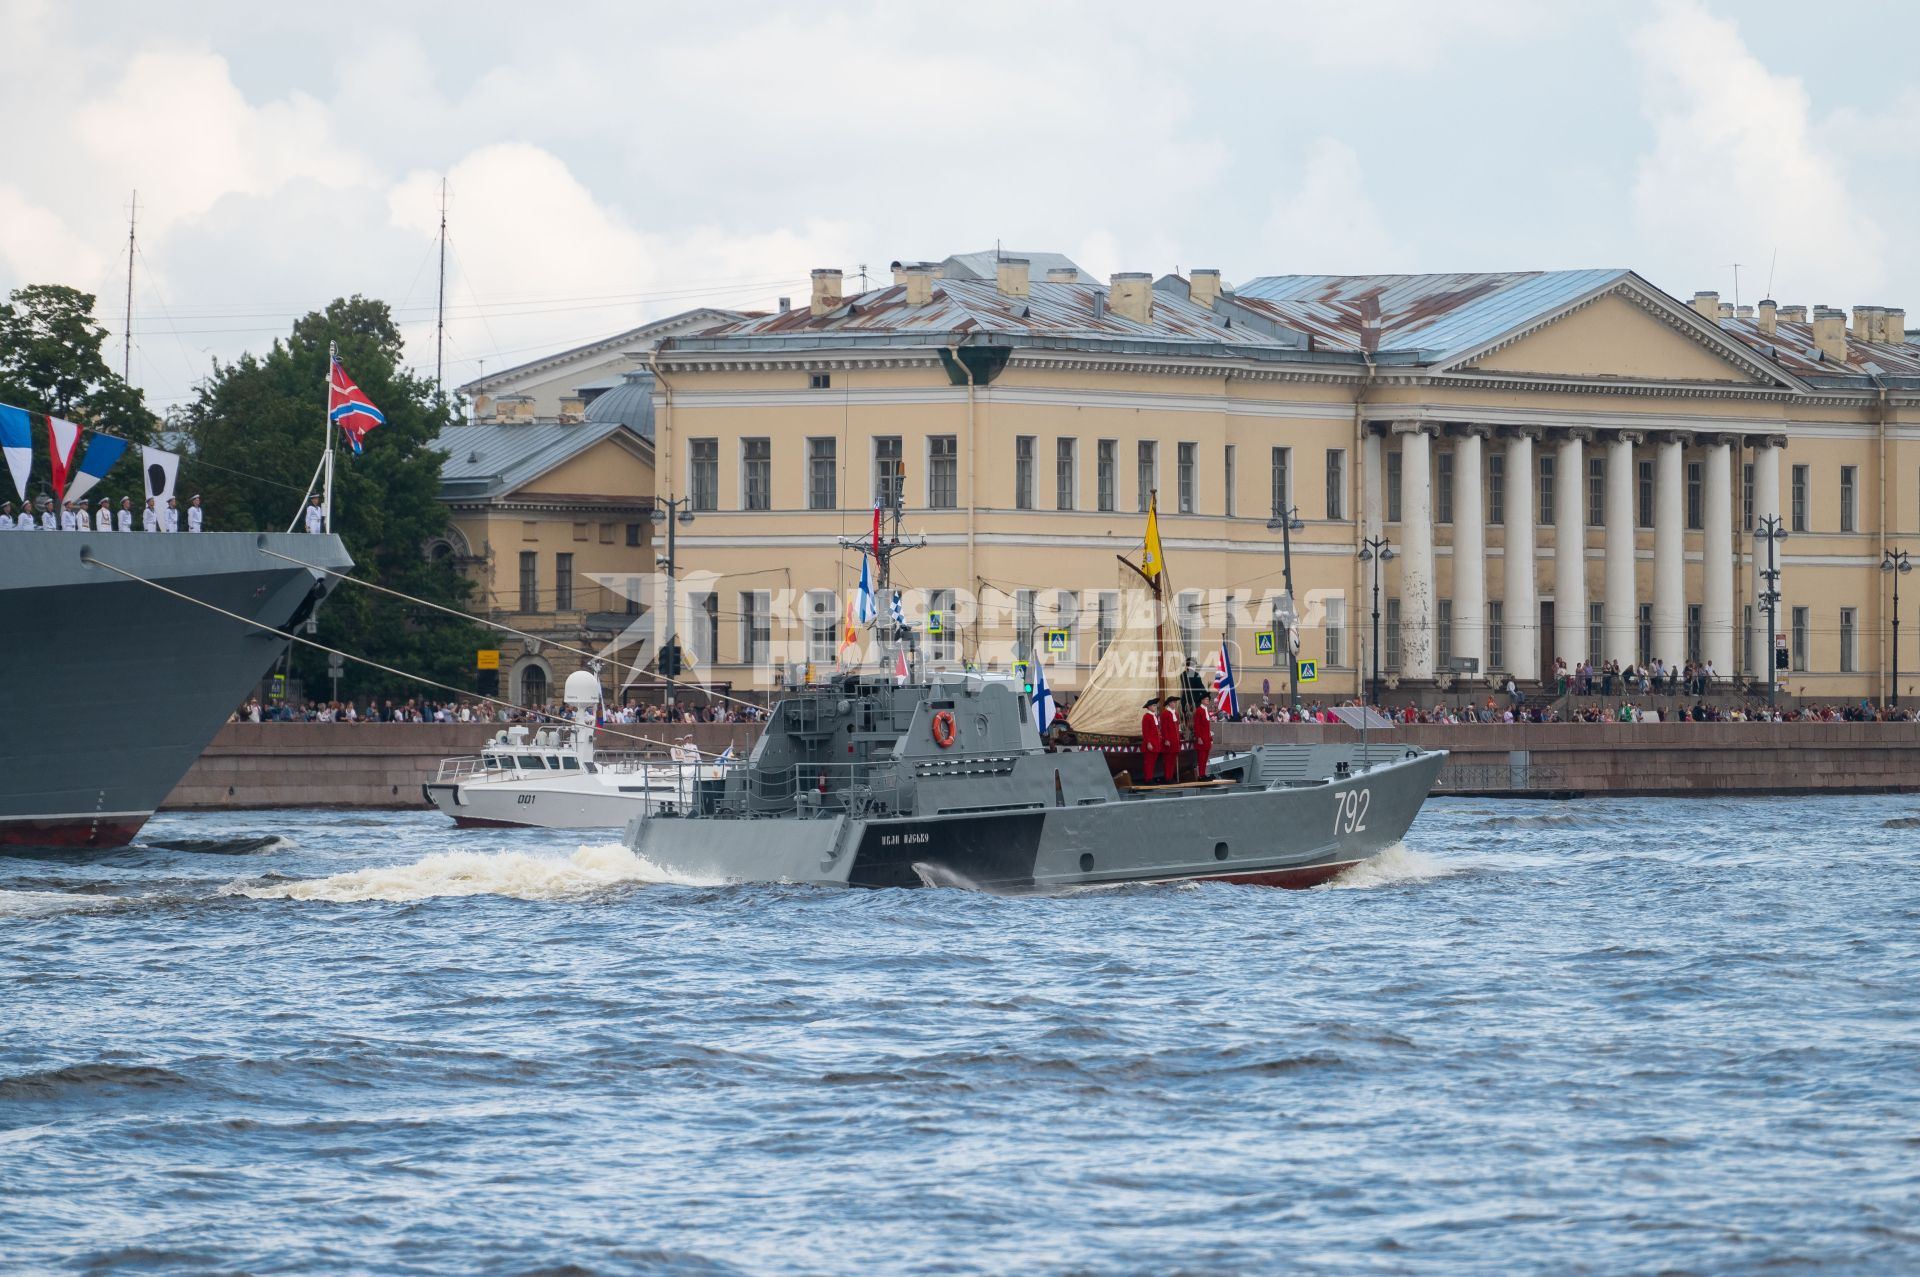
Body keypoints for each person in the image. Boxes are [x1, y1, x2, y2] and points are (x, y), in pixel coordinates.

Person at [1157, 696, 1182, 784]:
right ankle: (1167, 777)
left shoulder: (1176, 714)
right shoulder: (1165, 714)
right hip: (1169, 741)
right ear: (1169, 703)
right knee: (1168, 760)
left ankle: (1171, 776)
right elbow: (1164, 728)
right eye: (1173, 702)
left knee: (1173, 761)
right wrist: (1166, 739)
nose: (1175, 704)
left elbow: (1177, 727)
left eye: (1175, 702)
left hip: (1175, 741)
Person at [1140, 697, 1162, 783]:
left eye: (1155, 705)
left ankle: (1150, 778)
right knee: (1148, 763)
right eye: (1153, 705)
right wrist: (1148, 743)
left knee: (1152, 763)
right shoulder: (1147, 717)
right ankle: (1148, 779)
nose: (1155, 707)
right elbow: (1145, 731)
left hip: (1155, 744)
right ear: (1148, 707)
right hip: (1150, 744)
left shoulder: (1154, 716)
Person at [1191, 695, 1213, 780]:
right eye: (1206, 699)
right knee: (1201, 758)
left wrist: (1210, 737)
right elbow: (1197, 725)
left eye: (1208, 699)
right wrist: (1199, 737)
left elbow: (1207, 727)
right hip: (1202, 738)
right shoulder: (1199, 710)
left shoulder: (1205, 710)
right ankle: (1201, 775)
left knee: (1205, 758)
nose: (1208, 700)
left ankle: (1203, 774)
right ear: (1202, 701)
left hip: (1207, 738)